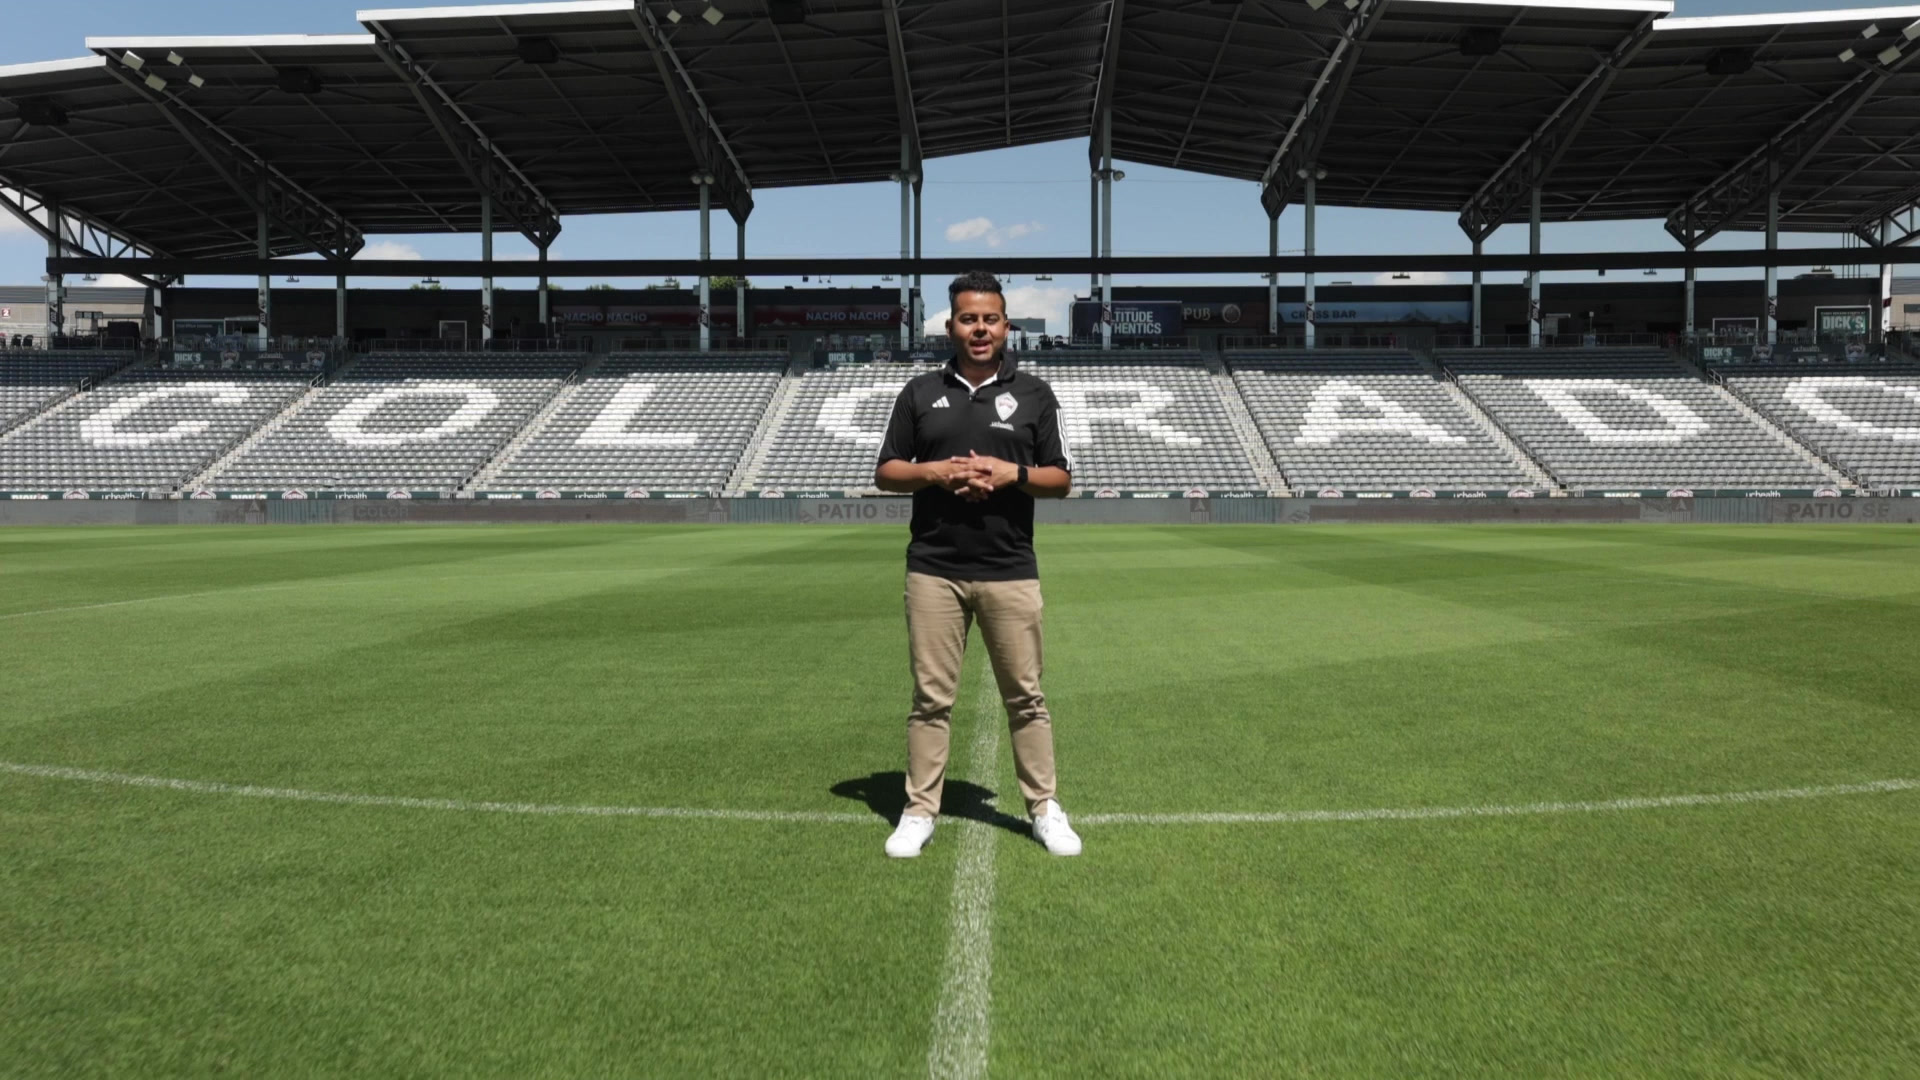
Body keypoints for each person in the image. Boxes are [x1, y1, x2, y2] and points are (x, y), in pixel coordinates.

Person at [872, 270, 1081, 858]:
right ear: (951, 326)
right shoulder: (919, 393)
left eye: (990, 319)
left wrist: (1011, 473)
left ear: (1007, 326)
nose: (980, 329)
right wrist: (937, 472)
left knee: (1026, 697)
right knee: (931, 700)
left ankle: (1044, 808)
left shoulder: (1035, 394)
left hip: (1010, 568)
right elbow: (887, 471)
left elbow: (1060, 479)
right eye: (969, 319)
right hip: (933, 568)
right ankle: (919, 810)